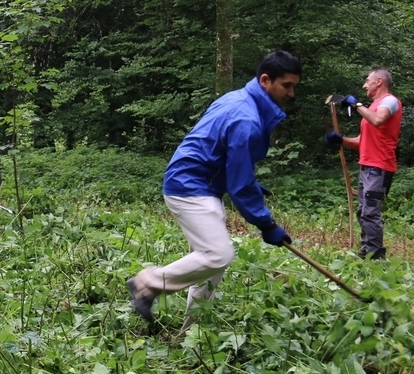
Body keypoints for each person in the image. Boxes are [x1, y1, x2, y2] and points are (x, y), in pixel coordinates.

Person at [126, 51, 301, 328]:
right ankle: (146, 283)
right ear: (265, 80)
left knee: (211, 264)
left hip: (200, 182)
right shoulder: (247, 119)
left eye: (294, 86)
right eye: (287, 85)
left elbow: (224, 155)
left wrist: (248, 183)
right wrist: (266, 224)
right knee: (218, 254)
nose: (291, 93)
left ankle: (191, 333)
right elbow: (239, 184)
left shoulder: (238, 99)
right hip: (190, 186)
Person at [324, 68, 403, 260]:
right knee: (363, 212)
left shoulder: (389, 102)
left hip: (380, 167)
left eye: (367, 81)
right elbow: (363, 141)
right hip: (367, 166)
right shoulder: (374, 105)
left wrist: (356, 104)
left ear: (379, 82)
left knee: (370, 212)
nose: (364, 85)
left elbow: (378, 120)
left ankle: (376, 257)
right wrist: (341, 140)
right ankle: (367, 251)